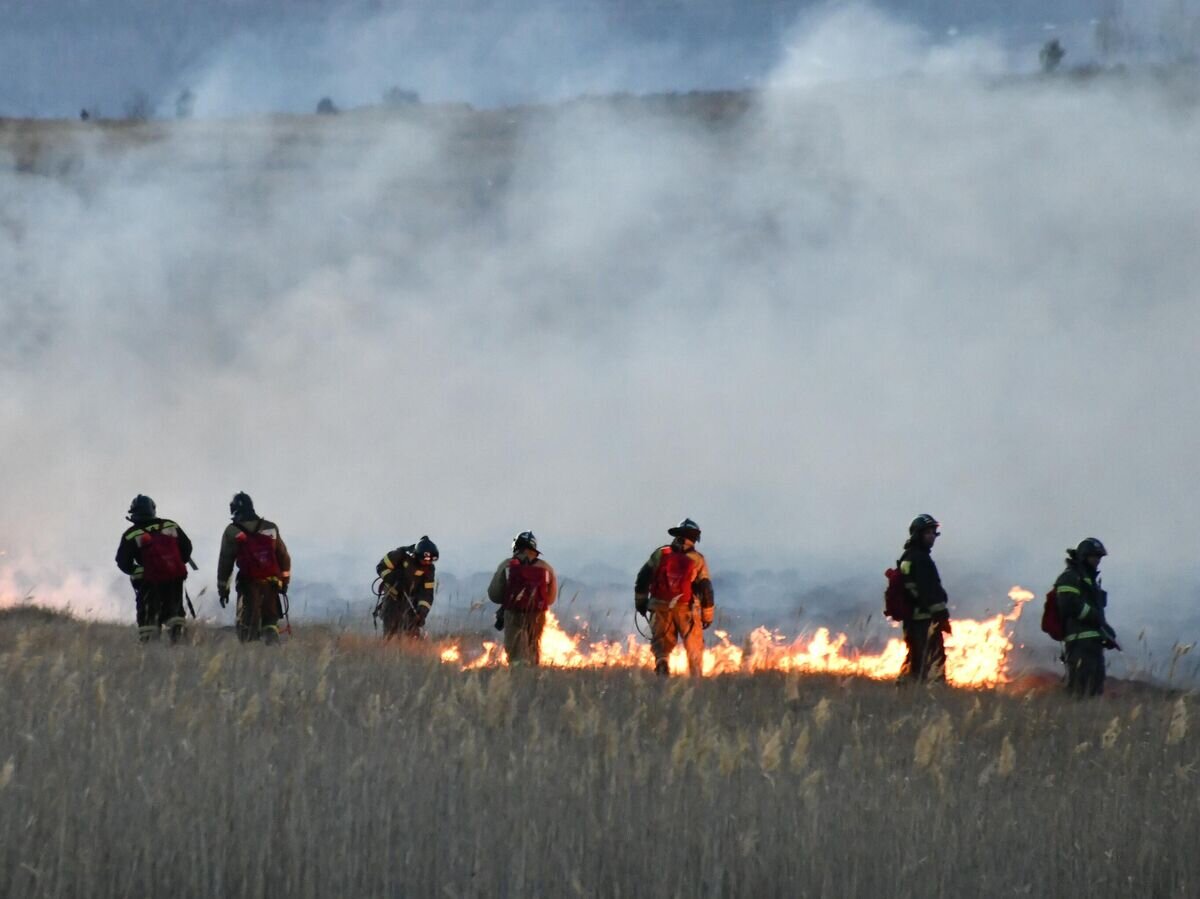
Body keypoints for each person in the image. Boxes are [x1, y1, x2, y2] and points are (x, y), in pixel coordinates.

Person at [634, 518, 715, 677]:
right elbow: (706, 589)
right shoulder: (697, 559)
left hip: (659, 606)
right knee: (694, 647)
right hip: (686, 608)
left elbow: (643, 578)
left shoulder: (660, 553)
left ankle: (662, 665)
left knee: (661, 646)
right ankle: (696, 680)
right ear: (694, 538)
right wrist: (707, 616)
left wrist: (641, 603)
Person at [115, 495, 193, 644]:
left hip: (148, 582)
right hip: (174, 578)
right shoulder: (170, 525)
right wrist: (173, 564)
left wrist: (139, 572)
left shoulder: (131, 534)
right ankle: (179, 644)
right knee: (175, 614)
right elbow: (187, 547)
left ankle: (151, 650)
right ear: (153, 509)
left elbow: (123, 562)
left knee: (149, 618)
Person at [217, 492, 292, 644]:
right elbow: (283, 557)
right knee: (270, 624)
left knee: (247, 630)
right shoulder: (271, 528)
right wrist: (284, 582)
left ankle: (251, 662)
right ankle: (273, 658)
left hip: (249, 585)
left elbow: (226, 562)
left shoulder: (232, 531)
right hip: (271, 584)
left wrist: (223, 589)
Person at [1054, 538, 1117, 697]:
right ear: (1083, 556)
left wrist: (1106, 631)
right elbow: (1068, 605)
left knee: (1095, 689)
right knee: (1080, 689)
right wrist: (1095, 617)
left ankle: (1089, 718)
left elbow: (1096, 613)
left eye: (1099, 557)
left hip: (1094, 645)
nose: (1097, 560)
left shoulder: (1091, 582)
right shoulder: (1069, 577)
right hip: (1079, 645)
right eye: (1093, 556)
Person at [487, 532, 557, 666]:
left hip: (513, 613)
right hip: (537, 615)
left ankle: (515, 675)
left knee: (514, 652)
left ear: (516, 546)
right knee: (534, 648)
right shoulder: (546, 568)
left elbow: (494, 595)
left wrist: (510, 599)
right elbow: (551, 599)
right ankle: (534, 675)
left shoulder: (506, 565)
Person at [897, 514, 951, 684]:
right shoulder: (920, 559)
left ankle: (906, 690)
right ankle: (935, 692)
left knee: (916, 660)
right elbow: (929, 591)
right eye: (927, 533)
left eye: (933, 533)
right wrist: (942, 617)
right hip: (924, 620)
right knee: (933, 659)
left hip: (912, 620)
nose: (932, 536)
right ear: (917, 534)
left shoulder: (908, 556)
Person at [374, 536, 439, 639]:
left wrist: (422, 612)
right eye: (425, 560)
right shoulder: (400, 555)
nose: (427, 563)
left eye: (430, 561)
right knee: (391, 634)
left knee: (413, 635)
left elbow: (427, 593)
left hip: (411, 602)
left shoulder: (429, 569)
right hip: (393, 599)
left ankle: (410, 653)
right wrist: (393, 578)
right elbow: (381, 567)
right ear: (417, 555)